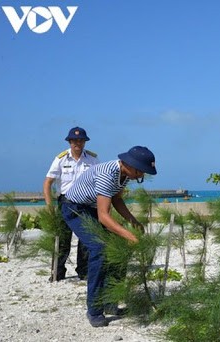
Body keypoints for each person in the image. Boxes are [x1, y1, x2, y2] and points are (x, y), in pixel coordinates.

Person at [61, 146, 157, 327]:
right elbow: (104, 217)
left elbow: (117, 199)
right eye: (140, 171)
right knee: (99, 249)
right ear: (129, 164)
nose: (141, 175)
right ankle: (94, 310)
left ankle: (110, 302)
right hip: (75, 209)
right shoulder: (107, 173)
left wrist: (132, 221)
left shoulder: (125, 174)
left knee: (118, 247)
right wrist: (130, 235)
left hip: (91, 209)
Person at [43, 126, 99, 281]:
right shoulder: (61, 159)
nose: (77, 143)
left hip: (86, 204)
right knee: (62, 239)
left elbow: (99, 182)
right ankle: (57, 273)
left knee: (86, 239)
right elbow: (47, 182)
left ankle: (84, 271)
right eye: (74, 140)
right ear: (69, 141)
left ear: (85, 142)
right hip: (66, 203)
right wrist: (49, 206)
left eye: (81, 140)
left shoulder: (93, 160)